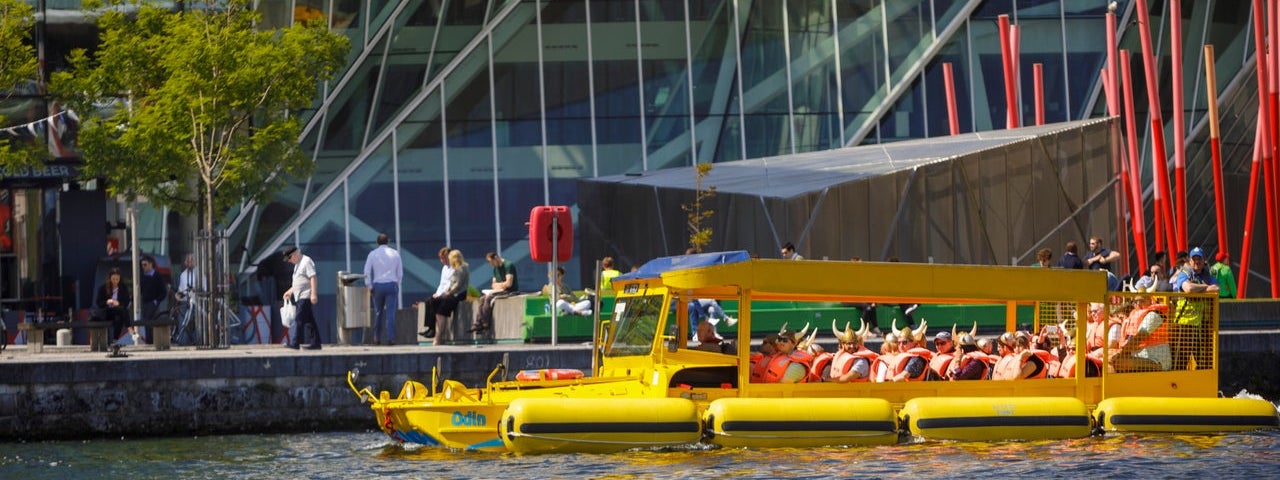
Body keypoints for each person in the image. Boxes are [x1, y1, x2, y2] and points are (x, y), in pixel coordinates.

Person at [1169, 247, 1219, 369]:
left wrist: (1199, 287)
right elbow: (1188, 289)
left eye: (1199, 259)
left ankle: (1200, 384)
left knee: (1203, 359)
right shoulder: (1184, 273)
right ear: (1190, 261)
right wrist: (1206, 287)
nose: (1196, 261)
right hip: (1184, 325)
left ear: (1204, 260)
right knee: (1180, 359)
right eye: (1194, 259)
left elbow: (1216, 288)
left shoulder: (1207, 275)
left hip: (1203, 325)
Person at [1108, 295, 1171, 372]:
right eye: (1135, 302)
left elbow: (1140, 337)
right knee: (1109, 355)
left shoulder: (1155, 314)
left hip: (1157, 360)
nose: (1137, 304)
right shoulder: (1134, 316)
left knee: (1119, 363)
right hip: (1140, 356)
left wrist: (1121, 352)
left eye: (1141, 301)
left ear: (1149, 300)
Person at [363, 233, 403, 345]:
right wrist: (397, 284)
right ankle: (391, 338)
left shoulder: (372, 254)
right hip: (391, 284)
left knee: (378, 312)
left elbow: (366, 272)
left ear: (377, 242)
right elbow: (400, 273)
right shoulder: (395, 253)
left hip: (378, 285)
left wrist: (369, 286)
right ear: (388, 242)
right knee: (390, 313)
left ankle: (377, 337)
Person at [281, 246, 321, 350]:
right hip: (299, 297)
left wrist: (313, 294)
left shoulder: (306, 261)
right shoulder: (298, 264)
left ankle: (295, 343)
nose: (289, 261)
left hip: (305, 296)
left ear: (295, 254)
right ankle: (316, 343)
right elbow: (299, 281)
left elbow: (313, 277)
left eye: (289, 258)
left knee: (298, 319)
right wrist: (290, 291)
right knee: (309, 322)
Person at [471, 252, 518, 333]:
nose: (492, 265)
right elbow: (493, 285)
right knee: (482, 298)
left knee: (489, 298)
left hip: (510, 291)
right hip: (499, 290)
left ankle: (485, 323)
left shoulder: (508, 265)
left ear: (496, 257)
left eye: (492, 262)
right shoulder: (495, 269)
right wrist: (501, 285)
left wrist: (499, 285)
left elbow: (509, 284)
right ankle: (478, 322)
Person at [415, 246, 453, 338]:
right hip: (441, 292)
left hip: (447, 294)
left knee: (434, 302)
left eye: (444, 258)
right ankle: (430, 327)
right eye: (441, 258)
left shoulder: (453, 268)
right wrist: (437, 293)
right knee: (428, 301)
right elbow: (442, 283)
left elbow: (449, 284)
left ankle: (433, 330)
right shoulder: (444, 268)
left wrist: (440, 294)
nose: (442, 260)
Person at [434, 249, 471, 338]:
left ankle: (438, 336)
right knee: (435, 305)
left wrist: (448, 293)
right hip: (453, 293)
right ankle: (436, 333)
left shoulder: (461, 268)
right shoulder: (456, 268)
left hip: (458, 294)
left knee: (441, 311)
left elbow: (457, 285)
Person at [94, 267, 132, 343]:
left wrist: (118, 303)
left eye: (117, 279)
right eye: (113, 279)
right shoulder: (103, 288)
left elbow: (126, 302)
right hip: (107, 311)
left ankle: (115, 340)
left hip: (118, 311)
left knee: (120, 316)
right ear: (110, 278)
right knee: (122, 311)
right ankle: (130, 329)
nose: (115, 281)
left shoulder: (123, 288)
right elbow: (98, 302)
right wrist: (107, 301)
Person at [136, 256, 167, 344]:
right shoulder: (142, 276)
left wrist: (156, 301)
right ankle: (149, 342)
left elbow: (163, 291)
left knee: (153, 323)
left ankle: (154, 341)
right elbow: (140, 289)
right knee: (146, 324)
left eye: (145, 265)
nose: (143, 267)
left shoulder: (157, 276)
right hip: (145, 303)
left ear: (151, 264)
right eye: (142, 265)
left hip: (153, 303)